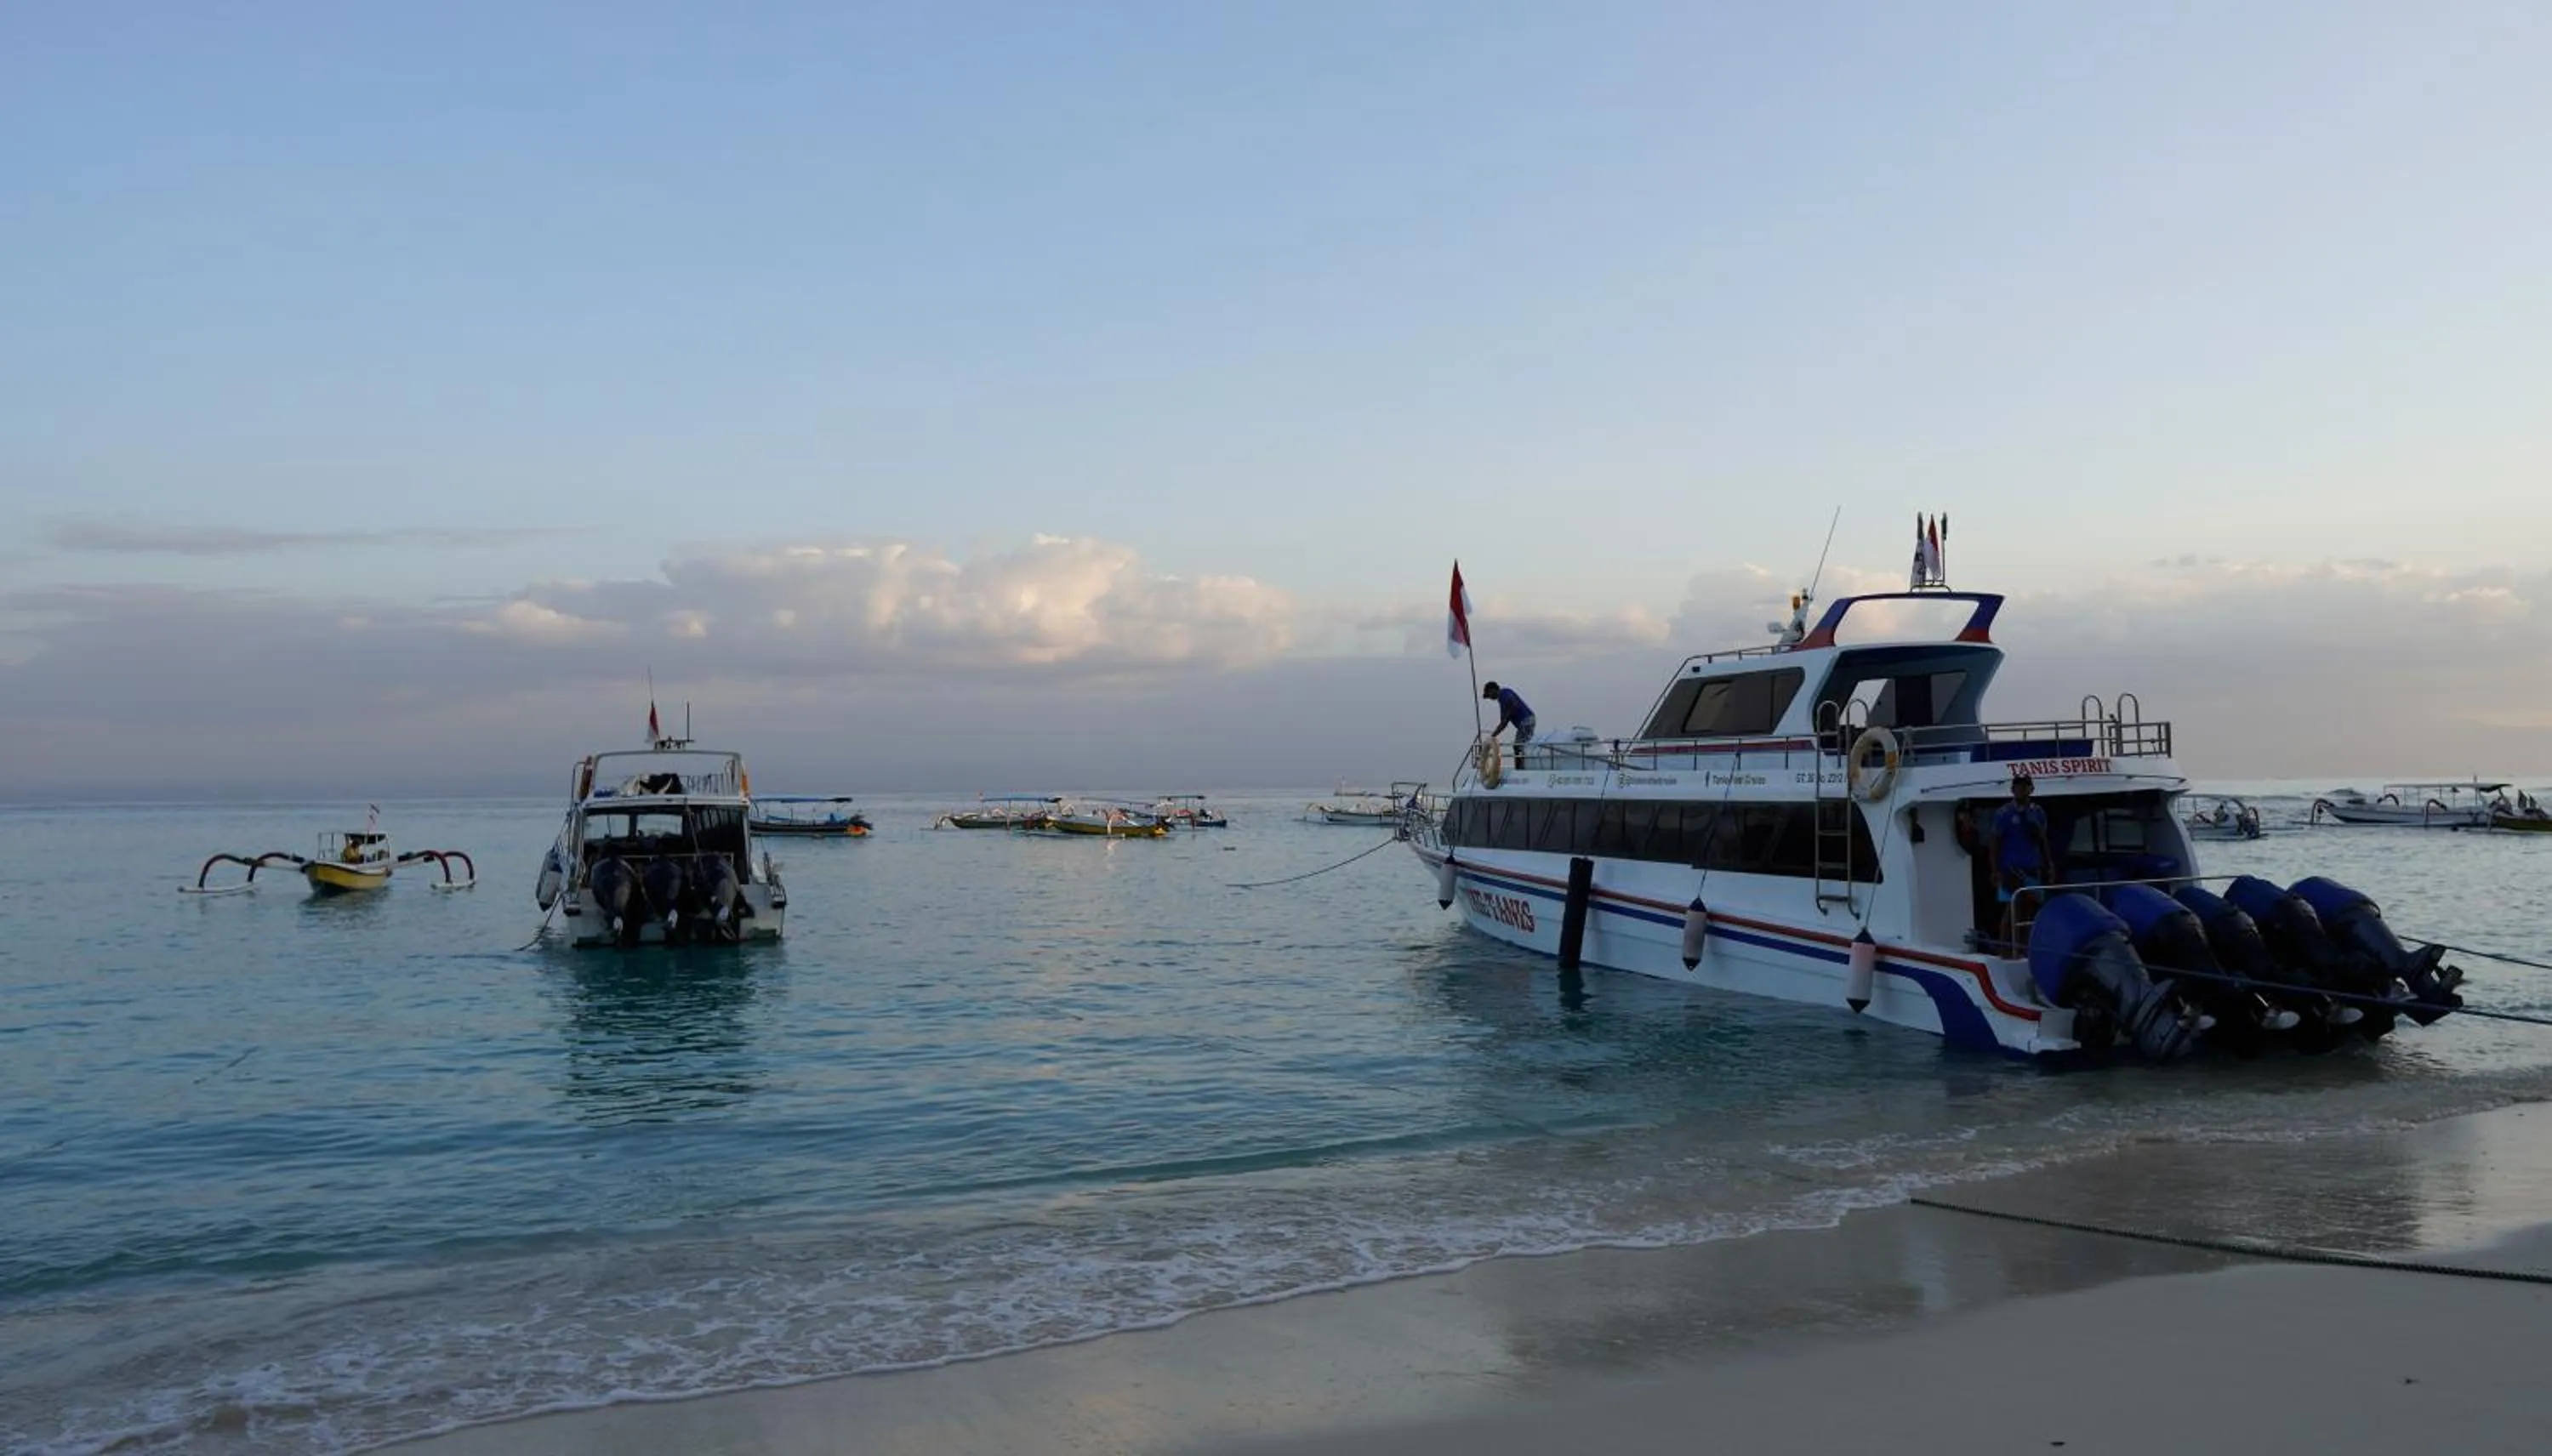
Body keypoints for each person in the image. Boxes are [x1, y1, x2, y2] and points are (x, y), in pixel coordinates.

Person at [1991, 774, 2056, 948]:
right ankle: (2005, 949)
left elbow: (2043, 840)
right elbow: (1995, 842)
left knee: (2030, 909)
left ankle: (2026, 949)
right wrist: (1995, 870)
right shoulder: (2004, 813)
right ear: (2012, 790)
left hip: (2032, 867)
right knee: (2011, 909)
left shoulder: (2038, 812)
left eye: (2025, 787)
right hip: (2010, 868)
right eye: (2018, 787)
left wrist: (2050, 865)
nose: (2022, 790)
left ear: (2031, 789)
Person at [1482, 681, 1536, 747]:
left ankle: (1521, 755)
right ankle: (1522, 755)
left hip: (1526, 720)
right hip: (1529, 719)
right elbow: (1503, 723)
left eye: (1489, 694)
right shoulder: (1503, 695)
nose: (1490, 698)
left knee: (1518, 746)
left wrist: (1507, 714)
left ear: (1493, 690)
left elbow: (1511, 702)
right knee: (1520, 745)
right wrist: (1493, 736)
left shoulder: (1503, 694)